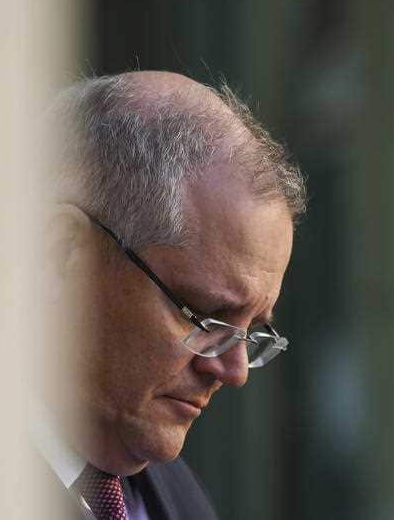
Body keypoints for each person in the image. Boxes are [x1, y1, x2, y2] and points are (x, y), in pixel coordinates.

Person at [33, 71, 306, 520]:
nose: (234, 371)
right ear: (62, 255)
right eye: (204, 315)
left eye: (253, 330)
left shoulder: (183, 501)